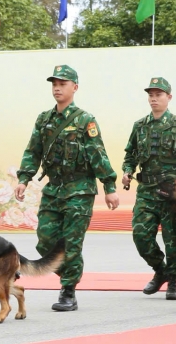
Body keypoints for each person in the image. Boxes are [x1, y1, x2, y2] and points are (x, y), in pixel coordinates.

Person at [14, 65, 118, 312]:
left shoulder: (85, 120)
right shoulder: (44, 119)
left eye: (62, 83)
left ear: (75, 87)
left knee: (71, 243)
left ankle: (68, 290)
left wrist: (109, 185)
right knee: (45, 242)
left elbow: (97, 154)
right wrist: (23, 178)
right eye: (54, 84)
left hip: (79, 190)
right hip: (54, 189)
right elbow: (33, 151)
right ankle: (71, 273)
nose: (57, 88)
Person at [120, 76, 176, 300]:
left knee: (172, 237)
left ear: (169, 97)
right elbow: (130, 154)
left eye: (159, 95)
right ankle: (160, 269)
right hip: (146, 189)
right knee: (141, 235)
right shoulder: (140, 126)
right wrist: (127, 171)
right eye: (151, 95)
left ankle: (173, 280)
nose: (154, 99)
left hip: (171, 192)